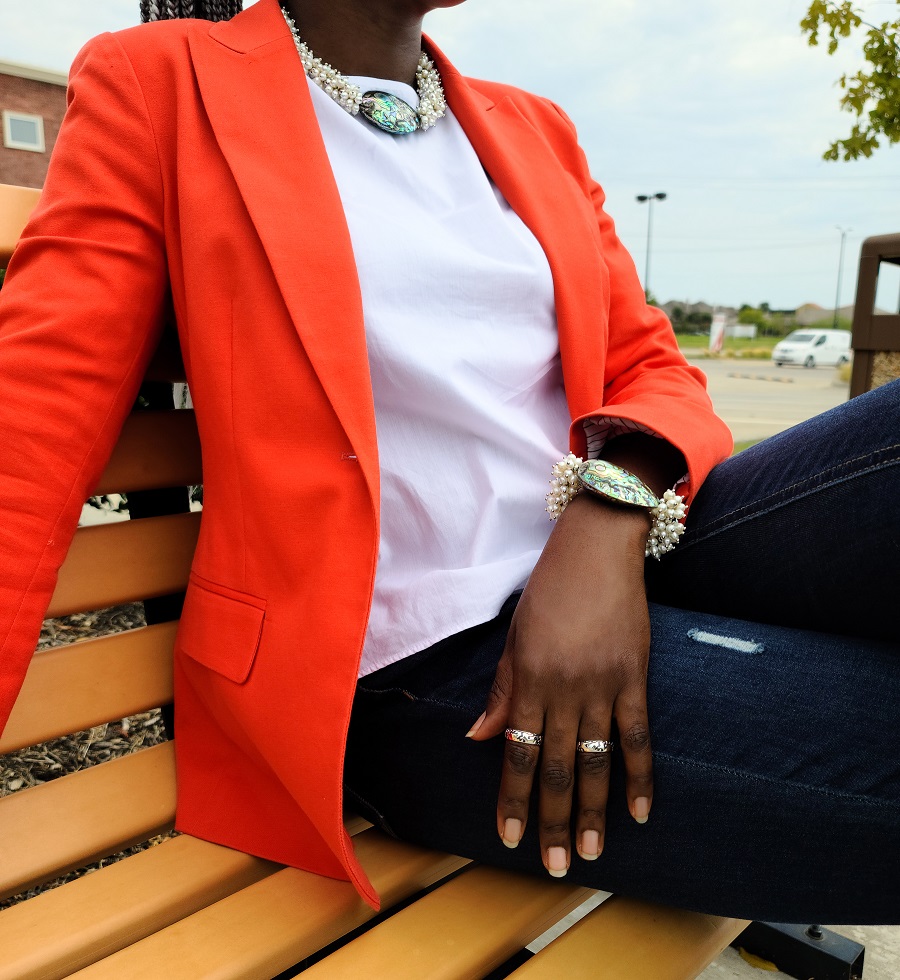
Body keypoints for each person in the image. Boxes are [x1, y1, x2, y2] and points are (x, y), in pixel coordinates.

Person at [0, 0, 897, 925]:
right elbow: (27, 436)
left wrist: (606, 512)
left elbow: (652, 368)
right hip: (417, 660)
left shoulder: (531, 127)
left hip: (627, 555)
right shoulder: (161, 82)